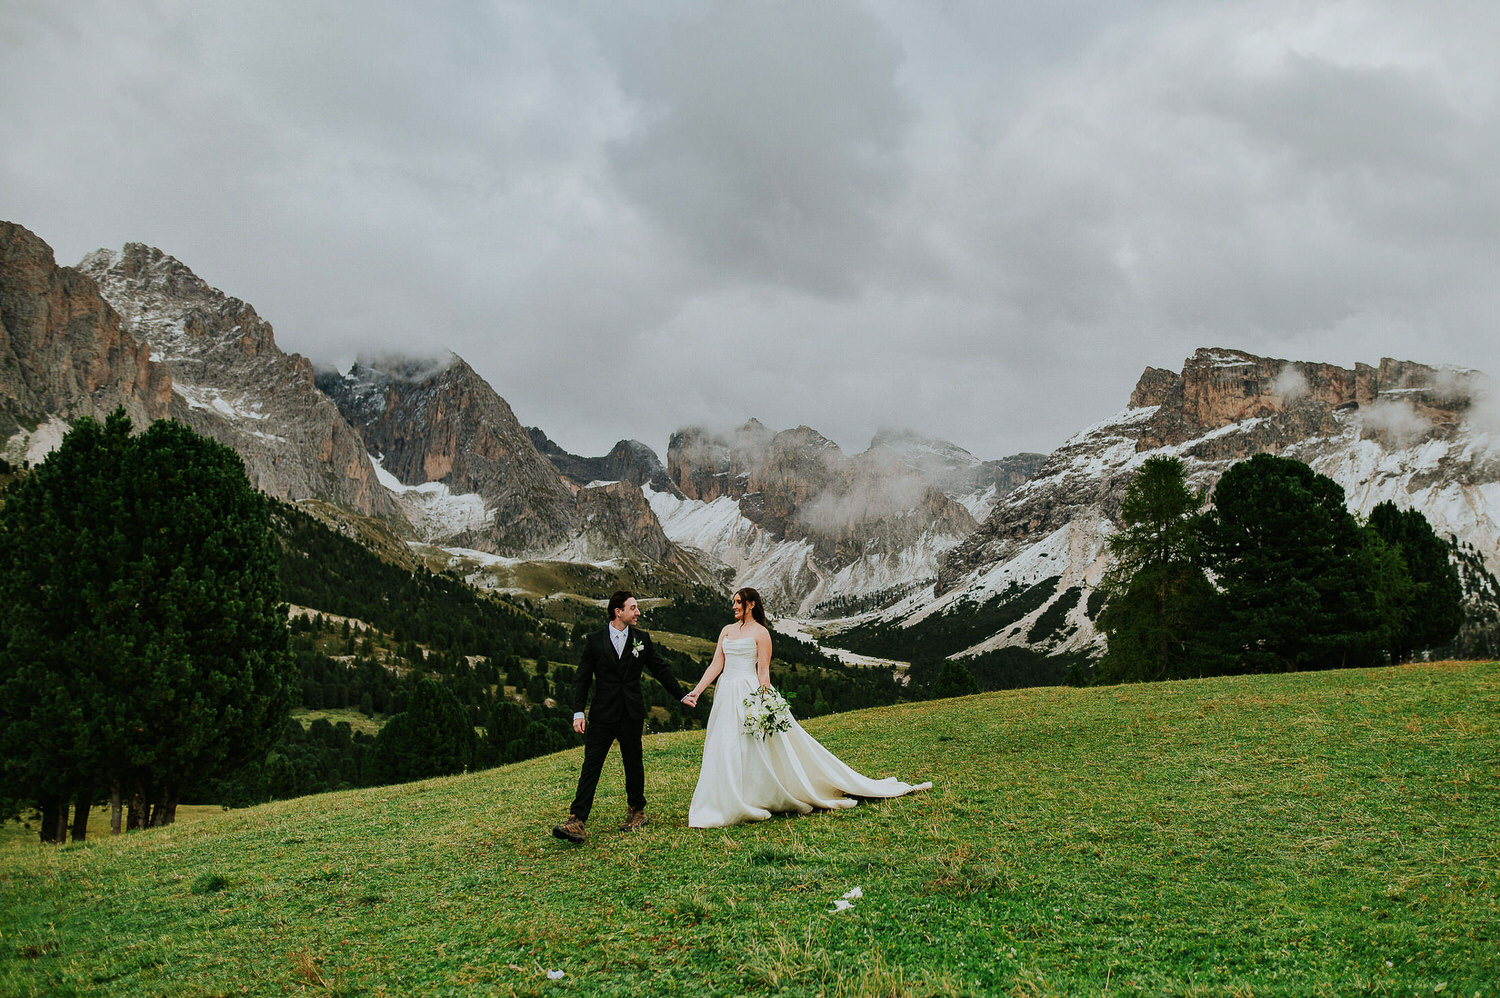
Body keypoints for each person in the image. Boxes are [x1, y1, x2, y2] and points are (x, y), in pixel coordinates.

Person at [681, 587, 930, 828]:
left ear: (751, 604)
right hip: (726, 692)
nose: (734, 606)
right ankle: (726, 797)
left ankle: (754, 795)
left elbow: (763, 670)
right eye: (733, 602)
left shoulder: (761, 633)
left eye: (738, 602)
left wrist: (766, 701)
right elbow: (716, 665)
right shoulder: (726, 630)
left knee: (749, 744)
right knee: (724, 743)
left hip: (748, 690)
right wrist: (697, 691)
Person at [552, 591, 691, 843]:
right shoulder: (594, 640)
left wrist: (681, 695)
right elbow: (582, 679)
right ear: (618, 612)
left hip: (631, 713)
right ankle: (577, 820)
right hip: (603, 715)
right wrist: (578, 711)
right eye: (633, 608)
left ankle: (637, 811)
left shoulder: (642, 639)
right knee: (591, 765)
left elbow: (660, 670)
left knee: (633, 762)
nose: (638, 612)